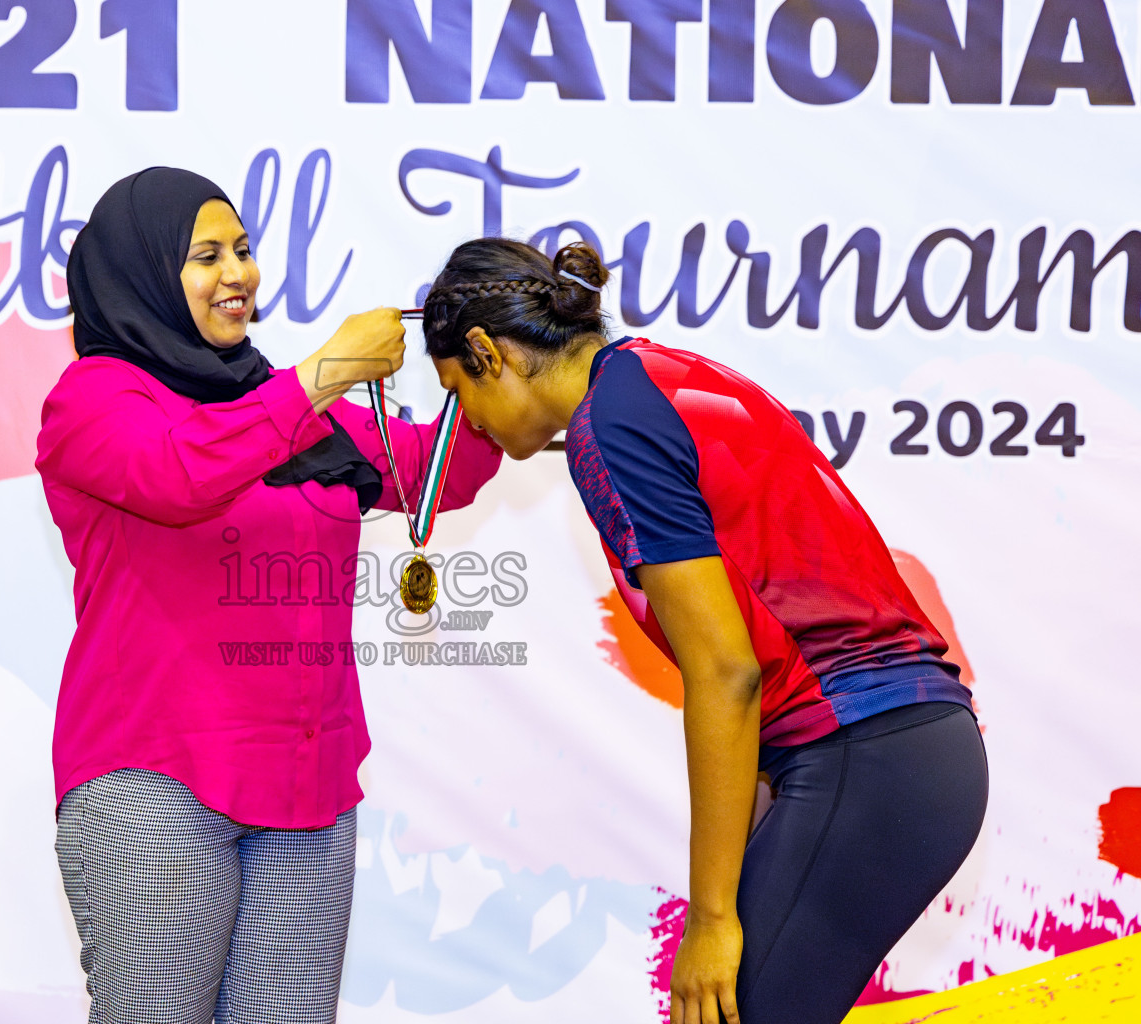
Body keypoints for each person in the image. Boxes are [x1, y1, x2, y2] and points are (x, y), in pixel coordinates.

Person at [420, 237, 988, 1024]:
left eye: (457, 390)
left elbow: (727, 670)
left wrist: (713, 917)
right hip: (895, 751)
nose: (467, 421)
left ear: (486, 352)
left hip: (870, 752)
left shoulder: (609, 428)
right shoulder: (652, 378)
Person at [35, 167, 501, 1024]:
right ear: (139, 275)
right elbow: (179, 476)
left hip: (307, 787)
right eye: (206, 256)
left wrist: (479, 358)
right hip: (156, 779)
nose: (238, 275)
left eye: (244, 251)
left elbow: (444, 476)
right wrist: (319, 375)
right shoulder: (95, 399)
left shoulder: (286, 403)